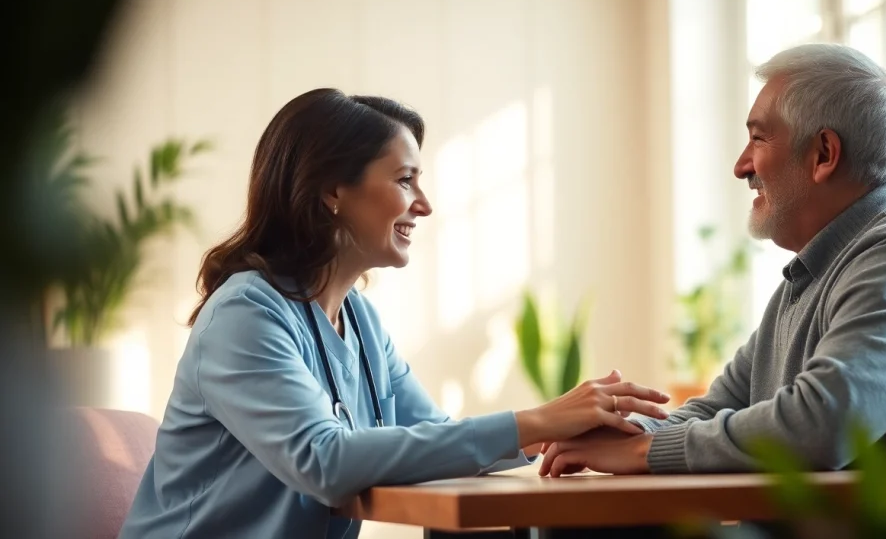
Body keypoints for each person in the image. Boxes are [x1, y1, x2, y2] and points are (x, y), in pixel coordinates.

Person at [118, 89, 671, 538]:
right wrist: (538, 421)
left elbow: (433, 436)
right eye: (406, 180)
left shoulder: (359, 318)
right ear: (333, 190)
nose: (424, 204)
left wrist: (558, 433)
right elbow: (324, 461)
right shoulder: (245, 313)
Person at [538, 43, 886, 478]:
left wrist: (642, 452)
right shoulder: (813, 274)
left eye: (758, 139)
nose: (741, 165)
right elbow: (720, 405)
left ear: (823, 154)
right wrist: (633, 433)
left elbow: (820, 427)